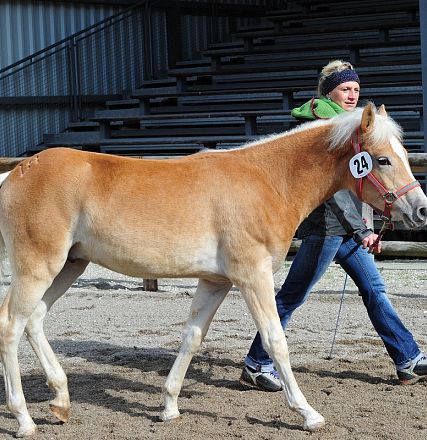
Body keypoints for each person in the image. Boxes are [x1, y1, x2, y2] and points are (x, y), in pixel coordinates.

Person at [240, 60, 427, 392]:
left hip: (346, 231)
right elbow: (334, 196)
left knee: (375, 291)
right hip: (325, 228)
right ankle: (257, 363)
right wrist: (363, 230)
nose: (352, 95)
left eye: (356, 89)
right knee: (291, 297)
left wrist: (363, 225)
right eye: (345, 88)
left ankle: (407, 359)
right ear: (329, 92)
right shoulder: (319, 128)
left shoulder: (349, 126)